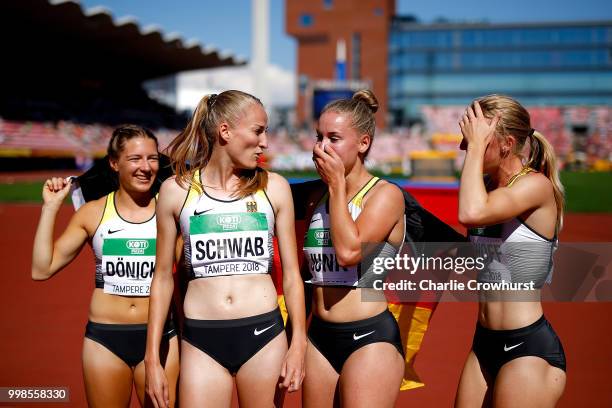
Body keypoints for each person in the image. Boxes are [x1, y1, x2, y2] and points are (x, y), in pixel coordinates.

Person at [145, 90, 306, 408]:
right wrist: (152, 357)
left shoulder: (274, 188)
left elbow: (291, 276)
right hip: (200, 340)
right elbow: (162, 278)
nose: (265, 142)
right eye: (258, 130)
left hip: (264, 336)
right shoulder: (175, 192)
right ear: (225, 131)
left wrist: (297, 341)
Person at [31, 125, 180, 407]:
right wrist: (50, 208)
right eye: (135, 159)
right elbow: (41, 269)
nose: (146, 167)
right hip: (105, 341)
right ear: (114, 163)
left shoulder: (171, 209)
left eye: (152, 158)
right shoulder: (94, 212)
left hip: (161, 339)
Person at [455, 95, 566, 407]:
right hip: (484, 343)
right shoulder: (488, 190)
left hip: (527, 346)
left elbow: (471, 213)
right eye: (466, 140)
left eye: (473, 140)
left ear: (506, 143)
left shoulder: (535, 187)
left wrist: (477, 149)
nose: (465, 148)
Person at [302, 89, 406, 407]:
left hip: (368, 337)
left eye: (334, 138)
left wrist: (336, 186)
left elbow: (349, 253)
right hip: (318, 335)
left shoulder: (385, 195)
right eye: (319, 137)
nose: (321, 147)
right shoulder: (313, 197)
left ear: (363, 143)